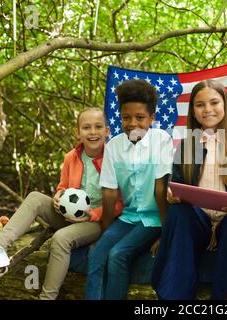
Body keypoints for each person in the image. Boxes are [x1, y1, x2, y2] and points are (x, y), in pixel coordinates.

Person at [0, 107, 122, 300]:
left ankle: (47, 297)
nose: (93, 132)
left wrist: (93, 214)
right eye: (86, 127)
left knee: (61, 238)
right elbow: (63, 187)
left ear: (107, 131)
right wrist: (58, 197)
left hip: (97, 222)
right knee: (35, 197)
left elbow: (120, 204)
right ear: (77, 132)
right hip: (69, 215)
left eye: (98, 127)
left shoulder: (115, 160)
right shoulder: (72, 157)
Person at [151, 79, 227, 300]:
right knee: (178, 212)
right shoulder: (188, 145)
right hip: (199, 220)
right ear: (193, 110)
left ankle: (225, 299)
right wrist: (172, 195)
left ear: (225, 105)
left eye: (214, 102)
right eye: (200, 104)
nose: (207, 110)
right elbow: (177, 182)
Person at [85, 79, 174, 300]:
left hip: (153, 219)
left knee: (117, 255)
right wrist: (105, 233)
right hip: (128, 217)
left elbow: (160, 189)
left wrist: (166, 233)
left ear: (152, 118)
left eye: (140, 118)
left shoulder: (161, 140)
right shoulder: (114, 146)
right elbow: (109, 193)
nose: (132, 123)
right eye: (126, 117)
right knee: (97, 254)